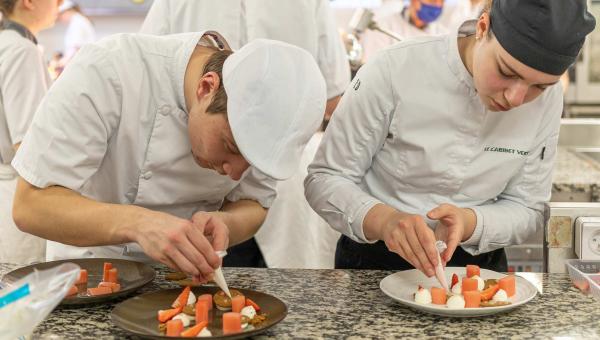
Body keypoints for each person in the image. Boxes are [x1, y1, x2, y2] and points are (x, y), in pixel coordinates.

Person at [305, 0, 596, 275]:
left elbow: (528, 207)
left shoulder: (548, 100)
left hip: (479, 275)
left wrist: (470, 222)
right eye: (506, 72)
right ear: (482, 28)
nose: (516, 98)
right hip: (373, 266)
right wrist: (384, 221)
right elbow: (325, 178)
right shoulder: (394, 70)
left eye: (540, 87)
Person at [11, 30, 326, 281]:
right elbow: (30, 205)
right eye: (230, 147)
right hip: (88, 274)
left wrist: (227, 222)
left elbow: (255, 203)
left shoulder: (261, 107)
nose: (234, 173)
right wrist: (138, 224)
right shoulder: (110, 70)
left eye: (252, 164)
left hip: (182, 284)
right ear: (206, 87)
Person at [140, 0, 350, 269]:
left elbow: (331, 95)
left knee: (268, 291)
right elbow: (157, 66)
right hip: (191, 183)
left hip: (275, 181)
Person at [0, 0, 62, 264]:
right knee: (20, 298)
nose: (60, 3)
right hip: (16, 196)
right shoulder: (20, 49)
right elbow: (28, 145)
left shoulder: (8, 43)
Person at [360, 0, 447, 62]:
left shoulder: (443, 34)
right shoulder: (383, 28)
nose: (437, 5)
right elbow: (374, 69)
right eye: (432, 1)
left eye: (442, 1)